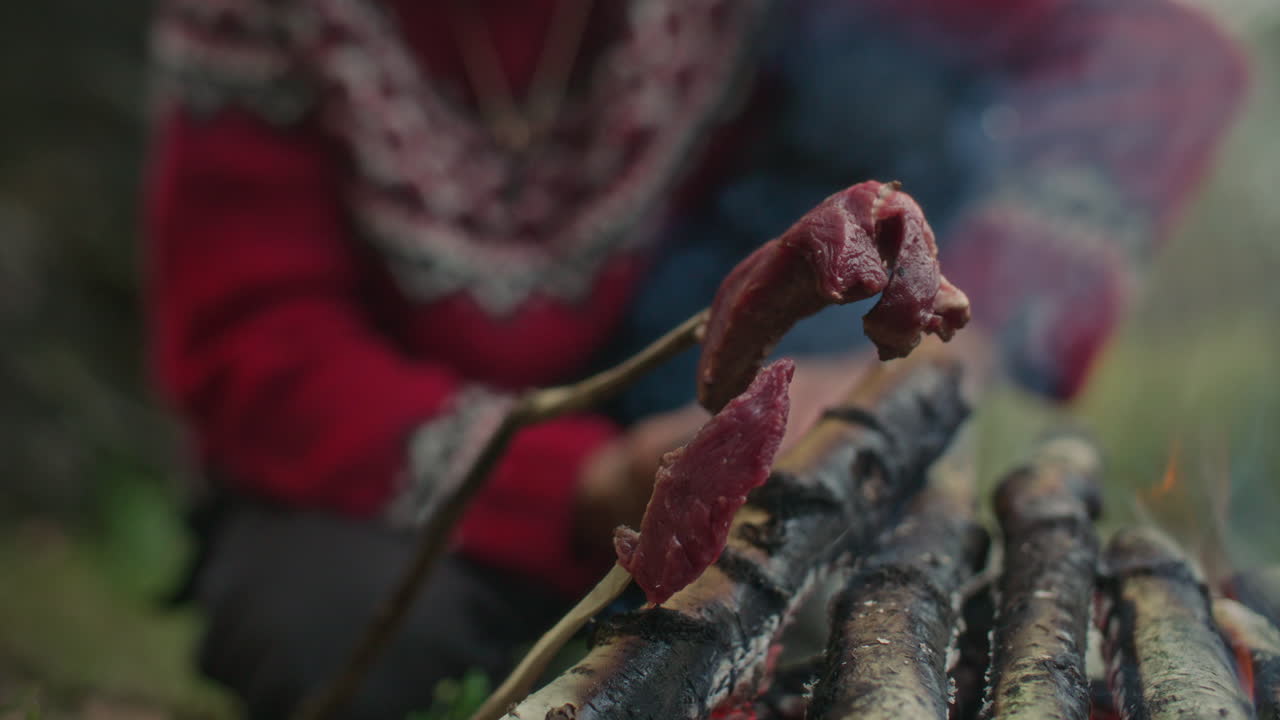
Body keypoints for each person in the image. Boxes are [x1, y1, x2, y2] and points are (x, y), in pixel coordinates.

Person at [143, 0, 1246, 717]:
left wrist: (957, 332)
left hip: (698, 421)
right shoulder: (260, 18)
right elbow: (258, 350)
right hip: (388, 487)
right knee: (342, 626)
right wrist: (584, 482)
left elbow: (1159, 51)